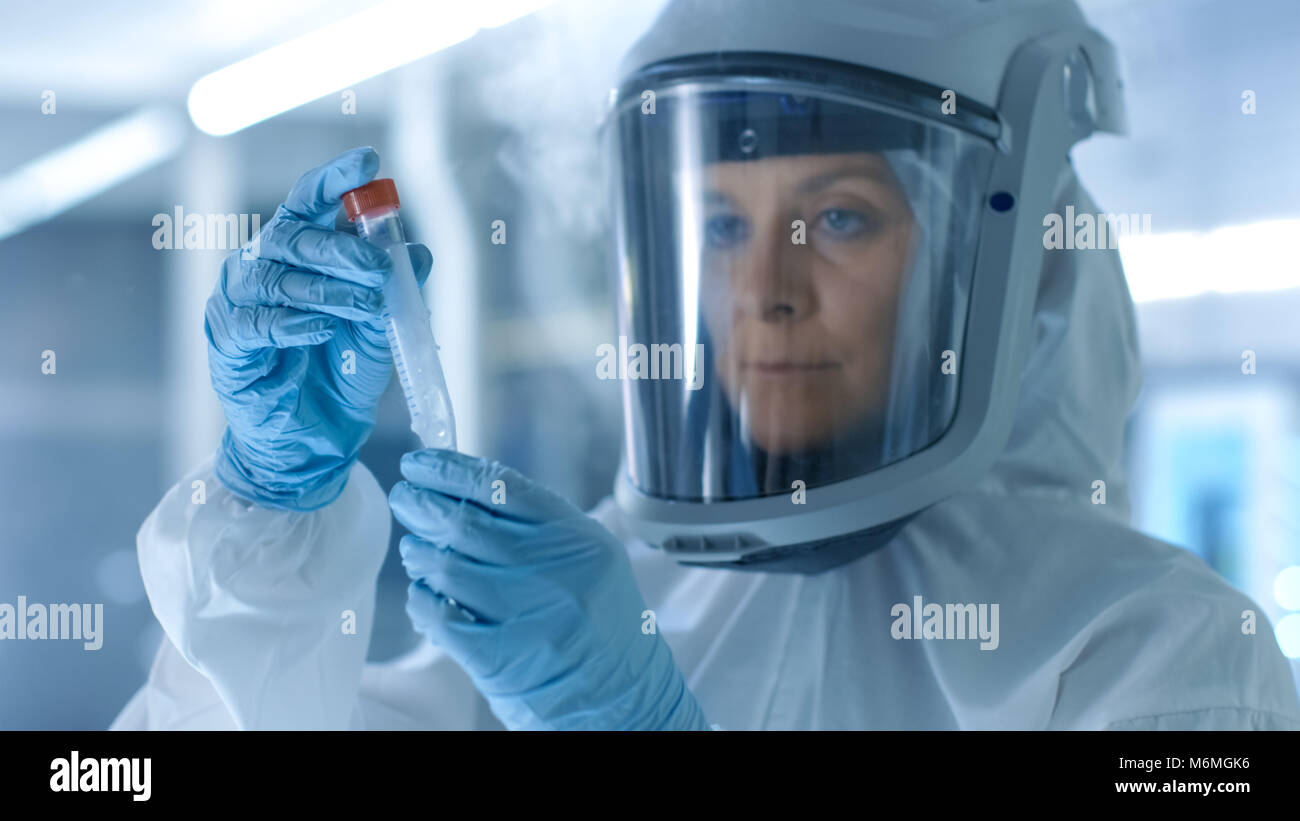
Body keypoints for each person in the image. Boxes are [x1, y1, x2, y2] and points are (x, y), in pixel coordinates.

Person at [113, 0, 1300, 730]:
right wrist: (268, 522)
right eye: (721, 227)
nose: (761, 292)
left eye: (838, 219)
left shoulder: (1162, 657)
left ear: (1013, 258)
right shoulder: (596, 610)